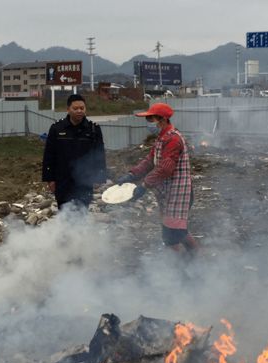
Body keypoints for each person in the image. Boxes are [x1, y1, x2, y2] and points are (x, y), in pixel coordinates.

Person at [117, 103, 198, 252]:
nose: (149, 123)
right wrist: (132, 175)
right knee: (175, 232)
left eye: (151, 119)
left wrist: (144, 185)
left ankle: (185, 264)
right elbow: (150, 161)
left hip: (179, 192)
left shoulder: (173, 139)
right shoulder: (162, 138)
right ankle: (190, 259)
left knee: (172, 234)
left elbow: (165, 168)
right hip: (169, 192)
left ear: (163, 119)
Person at [42, 94, 106, 209]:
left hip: (84, 180)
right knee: (64, 212)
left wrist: (99, 177)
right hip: (63, 179)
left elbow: (99, 154)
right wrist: (50, 179)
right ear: (68, 109)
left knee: (82, 212)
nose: (79, 111)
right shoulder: (57, 128)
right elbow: (49, 155)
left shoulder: (93, 129)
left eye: (82, 108)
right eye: (75, 108)